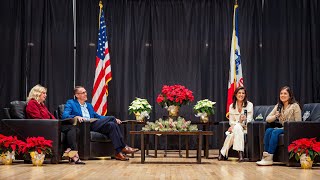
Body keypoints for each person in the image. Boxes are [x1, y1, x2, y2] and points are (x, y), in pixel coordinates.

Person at [62, 86, 139, 161]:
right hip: (83, 126)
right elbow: (64, 115)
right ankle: (124, 146)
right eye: (83, 92)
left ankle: (118, 153)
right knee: (111, 118)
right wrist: (76, 116)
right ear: (77, 95)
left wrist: (113, 119)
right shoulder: (71, 103)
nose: (85, 94)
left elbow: (97, 116)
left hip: (93, 123)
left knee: (112, 125)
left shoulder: (88, 105)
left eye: (85, 92)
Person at [26, 84, 85, 164]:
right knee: (72, 128)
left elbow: (51, 116)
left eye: (45, 93)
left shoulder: (41, 104)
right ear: (37, 93)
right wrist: (54, 123)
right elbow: (38, 119)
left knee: (75, 128)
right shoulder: (32, 104)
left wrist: (57, 122)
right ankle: (74, 155)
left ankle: (69, 150)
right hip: (43, 127)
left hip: (51, 126)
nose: (45, 95)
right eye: (44, 93)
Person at [256, 86, 301, 166]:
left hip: (292, 128)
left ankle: (270, 157)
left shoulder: (295, 106)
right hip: (283, 128)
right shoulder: (278, 106)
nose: (282, 95)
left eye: (285, 94)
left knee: (275, 132)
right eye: (281, 93)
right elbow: (267, 119)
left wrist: (289, 126)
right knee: (269, 130)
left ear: (290, 96)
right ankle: (265, 157)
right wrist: (275, 116)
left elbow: (298, 122)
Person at [218, 87, 253, 162]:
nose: (241, 95)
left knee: (234, 131)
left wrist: (243, 121)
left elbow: (249, 121)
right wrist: (237, 123)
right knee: (236, 128)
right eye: (239, 93)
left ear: (245, 95)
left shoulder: (249, 105)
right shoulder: (231, 106)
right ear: (236, 95)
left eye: (243, 93)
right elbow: (231, 121)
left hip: (246, 128)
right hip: (236, 129)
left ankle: (222, 153)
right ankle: (240, 154)